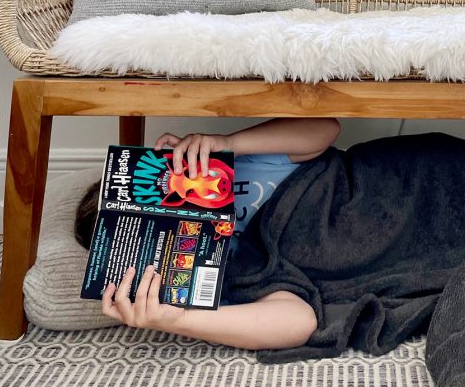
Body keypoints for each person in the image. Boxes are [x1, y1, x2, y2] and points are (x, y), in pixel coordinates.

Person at [75, 118, 340, 350]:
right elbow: (300, 321)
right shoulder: (209, 279)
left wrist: (229, 142)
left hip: (349, 186)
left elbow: (325, 129)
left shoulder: (235, 166)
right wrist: (177, 321)